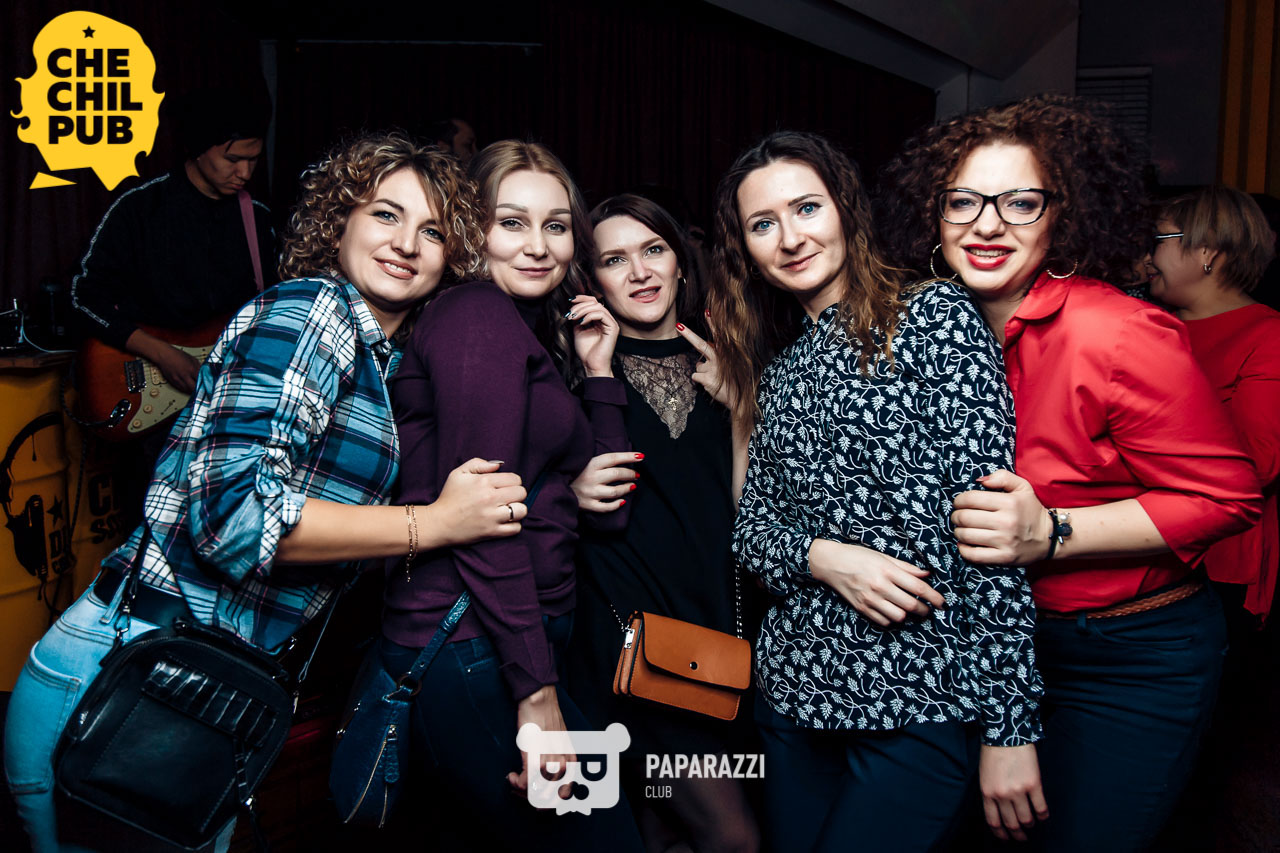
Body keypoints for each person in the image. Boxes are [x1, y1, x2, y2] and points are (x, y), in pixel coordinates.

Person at [4, 131, 527, 853]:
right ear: (339, 222)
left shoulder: (381, 355)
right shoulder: (312, 312)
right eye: (385, 214)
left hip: (200, 683)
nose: (407, 243)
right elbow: (235, 519)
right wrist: (432, 524)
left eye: (433, 231)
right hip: (129, 673)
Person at [878, 94, 1262, 852]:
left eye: (1020, 202)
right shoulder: (921, 331)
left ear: (1063, 214)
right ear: (935, 214)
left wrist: (1051, 532)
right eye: (963, 201)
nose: (988, 225)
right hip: (989, 648)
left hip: (1125, 656)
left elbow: (1227, 497)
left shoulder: (1116, 332)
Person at [710, 131, 1042, 852]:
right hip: (793, 698)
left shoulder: (934, 318)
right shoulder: (782, 370)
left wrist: (1010, 726)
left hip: (921, 699)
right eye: (763, 223)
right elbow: (752, 533)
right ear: (744, 249)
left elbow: (994, 534)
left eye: (807, 208)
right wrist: (827, 557)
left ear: (845, 208)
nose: (790, 238)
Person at [379, 141, 644, 851]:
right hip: (476, 643)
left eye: (556, 226)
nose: (538, 247)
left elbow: (611, 504)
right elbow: (481, 518)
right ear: (472, 228)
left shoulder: (521, 330)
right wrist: (536, 692)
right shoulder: (475, 315)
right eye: (512, 223)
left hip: (516, 640)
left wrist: (598, 371)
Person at [566, 193, 759, 853]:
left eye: (653, 250)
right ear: (591, 279)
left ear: (681, 260)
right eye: (614, 259)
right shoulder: (576, 372)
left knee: (663, 832)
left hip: (716, 637)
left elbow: (747, 512)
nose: (640, 272)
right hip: (632, 647)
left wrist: (741, 411)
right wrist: (569, 491)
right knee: (733, 837)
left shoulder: (730, 361)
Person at [72, 87, 277, 397]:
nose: (245, 172)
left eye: (254, 159)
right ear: (197, 148)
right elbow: (82, 298)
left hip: (229, 392)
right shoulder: (139, 209)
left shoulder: (257, 218)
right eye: (233, 159)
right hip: (149, 390)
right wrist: (161, 353)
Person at [1148, 186, 1280, 624]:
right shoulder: (1144, 325)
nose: (1147, 256)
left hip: (1217, 564)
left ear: (1207, 251)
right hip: (1135, 553)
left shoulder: (1267, 335)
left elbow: (1258, 463)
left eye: (1159, 240)